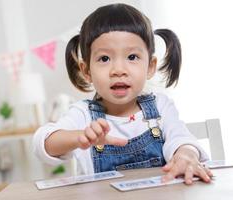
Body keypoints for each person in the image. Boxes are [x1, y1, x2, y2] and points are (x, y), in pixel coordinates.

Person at [33, 3, 213, 184]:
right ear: (87, 71)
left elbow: (180, 138)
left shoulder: (161, 106)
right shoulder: (83, 115)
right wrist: (79, 137)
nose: (118, 70)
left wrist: (186, 154)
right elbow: (43, 143)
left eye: (132, 57)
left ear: (150, 66)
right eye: (104, 58)